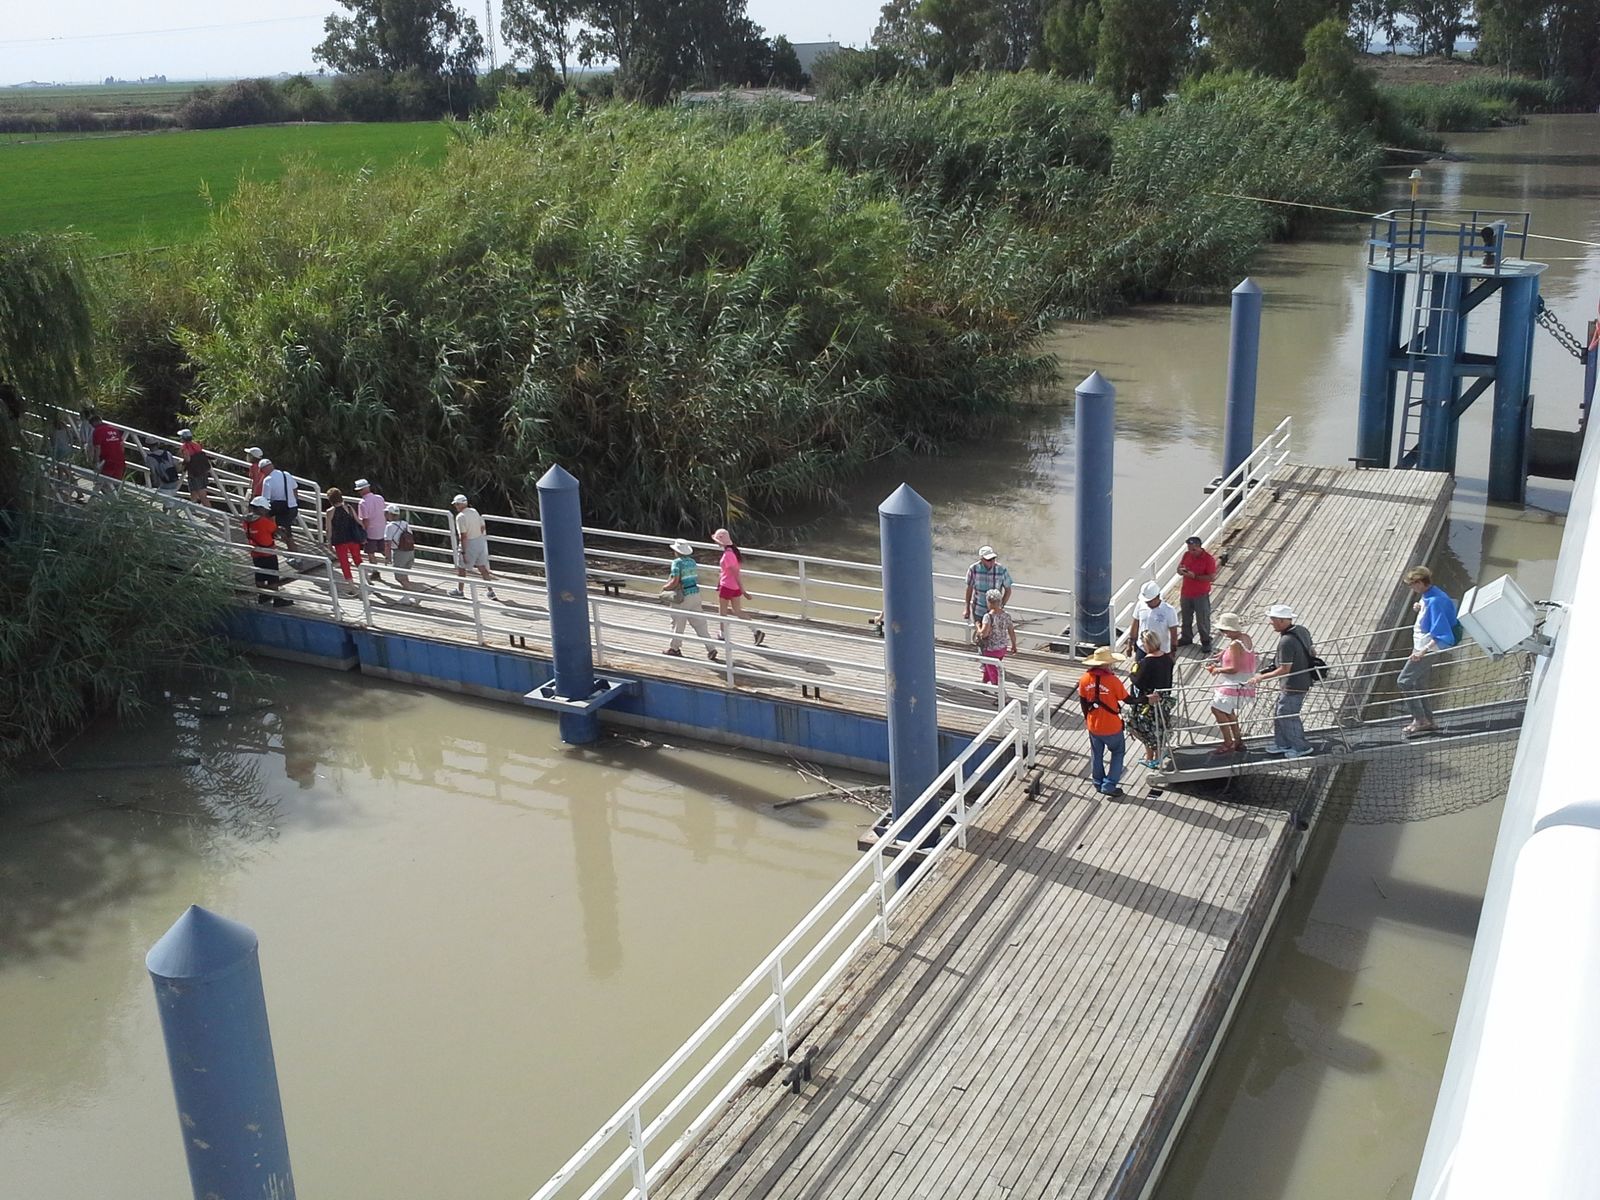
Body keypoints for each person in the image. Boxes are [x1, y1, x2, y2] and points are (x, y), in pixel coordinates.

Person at [1249, 603, 1316, 758]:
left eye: (1272, 619)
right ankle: (1283, 743)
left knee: (1286, 714)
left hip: (1294, 684)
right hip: (1302, 680)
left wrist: (1260, 677)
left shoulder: (1285, 641)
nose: (1270, 622)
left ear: (1281, 621)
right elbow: (1312, 652)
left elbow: (1285, 669)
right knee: (1280, 713)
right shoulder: (1302, 630)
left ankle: (1301, 747)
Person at [1398, 565, 1459, 737]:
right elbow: (1430, 613)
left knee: (1404, 681)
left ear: (1419, 582)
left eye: (1412, 585)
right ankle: (1429, 721)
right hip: (1420, 646)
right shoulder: (1430, 595)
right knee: (1419, 683)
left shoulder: (1435, 601)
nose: (1411, 589)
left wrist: (1423, 651)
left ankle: (1420, 720)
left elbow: (1441, 632)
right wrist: (1420, 607)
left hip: (1426, 649)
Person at [1077, 646, 1130, 797]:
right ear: (1108, 664)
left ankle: (1098, 782)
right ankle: (1109, 784)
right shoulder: (1113, 681)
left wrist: (1088, 720)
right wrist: (1146, 699)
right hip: (1112, 726)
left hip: (1094, 725)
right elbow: (1128, 699)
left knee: (1096, 754)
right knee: (1118, 752)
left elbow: (1083, 703)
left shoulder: (1084, 679)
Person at [1203, 611, 1257, 756]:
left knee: (1217, 709)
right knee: (1228, 711)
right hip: (1244, 682)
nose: (1223, 633)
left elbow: (1234, 668)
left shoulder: (1234, 644)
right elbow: (1241, 655)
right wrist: (1224, 654)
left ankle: (1228, 742)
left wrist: (1217, 669)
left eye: (1224, 630)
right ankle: (1238, 740)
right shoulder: (1245, 637)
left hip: (1233, 683)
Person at [661, 538, 719, 661]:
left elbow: (675, 581)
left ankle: (675, 649)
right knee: (700, 624)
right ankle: (711, 648)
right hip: (695, 594)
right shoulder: (692, 562)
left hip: (683, 596)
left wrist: (665, 588)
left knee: (678, 623)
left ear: (676, 551)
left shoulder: (677, 562)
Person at [1125, 630, 1175, 768]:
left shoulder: (1147, 662)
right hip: (1163, 698)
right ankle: (1157, 755)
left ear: (1147, 643)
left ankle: (1150, 758)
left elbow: (1138, 682)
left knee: (1143, 728)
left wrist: (1132, 674)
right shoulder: (1167, 658)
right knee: (1160, 728)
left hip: (1149, 700)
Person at [711, 527, 764, 645]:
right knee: (738, 611)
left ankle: (722, 634)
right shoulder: (734, 552)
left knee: (722, 611)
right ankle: (755, 630)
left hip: (727, 586)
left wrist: (743, 590)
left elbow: (734, 573)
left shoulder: (728, 554)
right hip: (733, 586)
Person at [244, 497, 292, 606]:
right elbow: (278, 533)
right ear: (260, 509)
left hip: (255, 553)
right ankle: (276, 599)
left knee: (260, 578)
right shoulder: (264, 521)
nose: (266, 512)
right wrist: (284, 533)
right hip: (269, 553)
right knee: (273, 578)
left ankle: (263, 596)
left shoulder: (246, 521)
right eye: (265, 510)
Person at [451, 494, 498, 600]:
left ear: (459, 505)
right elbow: (482, 527)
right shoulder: (474, 511)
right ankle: (491, 591)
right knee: (482, 568)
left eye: (456, 504)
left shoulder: (460, 517)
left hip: (469, 543)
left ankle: (460, 591)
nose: (456, 507)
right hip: (479, 541)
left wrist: (463, 551)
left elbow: (463, 536)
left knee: (462, 569)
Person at [1177, 535, 1218, 652]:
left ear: (1199, 547)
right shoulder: (1186, 555)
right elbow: (1179, 569)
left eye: (1193, 549)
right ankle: (1186, 638)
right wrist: (1181, 571)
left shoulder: (1208, 559)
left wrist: (1194, 576)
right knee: (1186, 617)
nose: (1191, 552)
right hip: (1186, 592)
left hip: (1200, 594)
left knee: (1202, 619)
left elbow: (1211, 577)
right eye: (1189, 549)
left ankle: (1205, 641)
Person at [1125, 581, 1179, 662]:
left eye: (1150, 601)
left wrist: (1173, 650)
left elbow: (1174, 632)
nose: (1147, 603)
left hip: (1162, 651)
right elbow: (1135, 624)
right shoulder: (1140, 605)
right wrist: (1130, 643)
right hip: (1143, 649)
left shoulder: (1169, 611)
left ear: (1157, 596)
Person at [975, 587, 1017, 687]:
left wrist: (978, 626)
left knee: (993, 672)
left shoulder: (988, 616)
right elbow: (1011, 631)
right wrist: (1014, 645)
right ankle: (984, 684)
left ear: (989, 601)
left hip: (991, 649)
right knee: (989, 667)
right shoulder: (1006, 615)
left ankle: (1001, 695)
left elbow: (983, 634)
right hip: (1002, 648)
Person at [324, 488, 365, 583]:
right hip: (352, 537)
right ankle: (366, 579)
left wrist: (329, 541)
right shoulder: (349, 507)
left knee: (344, 563)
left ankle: (352, 586)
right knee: (358, 559)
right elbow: (358, 521)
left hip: (340, 540)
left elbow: (328, 529)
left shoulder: (330, 512)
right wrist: (363, 532)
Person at [963, 546, 1013, 622]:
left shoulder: (1001, 569)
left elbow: (1008, 590)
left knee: (994, 633)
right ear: (981, 559)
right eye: (988, 560)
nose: (991, 561)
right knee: (981, 632)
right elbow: (969, 589)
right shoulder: (973, 569)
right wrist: (967, 608)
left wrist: (1001, 606)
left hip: (995, 611)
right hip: (979, 609)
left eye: (993, 558)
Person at [259, 458, 300, 550]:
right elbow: (295, 489)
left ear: (263, 470)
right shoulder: (286, 474)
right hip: (293, 508)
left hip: (282, 510)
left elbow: (265, 500)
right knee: (287, 530)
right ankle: (292, 551)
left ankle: (295, 554)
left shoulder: (268, 480)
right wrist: (294, 502)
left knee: (286, 534)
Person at [383, 504, 420, 599]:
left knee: (399, 577)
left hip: (399, 553)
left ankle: (414, 596)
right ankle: (407, 597)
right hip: (410, 552)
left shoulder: (389, 527)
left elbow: (387, 543)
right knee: (404, 575)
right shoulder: (405, 523)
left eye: (386, 513)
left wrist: (387, 557)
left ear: (390, 514)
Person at [354, 479, 387, 581]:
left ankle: (375, 571)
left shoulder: (363, 503)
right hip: (382, 529)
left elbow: (365, 520)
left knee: (371, 553)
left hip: (371, 532)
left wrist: (363, 532)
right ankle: (397, 563)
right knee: (383, 549)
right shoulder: (380, 498)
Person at [86, 411, 126, 484]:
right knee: (116, 484)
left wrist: (95, 461)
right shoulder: (114, 429)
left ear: (94, 423)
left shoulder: (97, 431)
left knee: (101, 483)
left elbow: (97, 448)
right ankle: (115, 495)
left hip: (107, 461)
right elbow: (122, 446)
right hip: (119, 460)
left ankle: (97, 495)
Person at [177, 429, 211, 506]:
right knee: (193, 492)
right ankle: (193, 509)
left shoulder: (185, 447)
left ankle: (211, 515)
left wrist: (182, 464)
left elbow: (188, 459)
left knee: (202, 496)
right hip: (203, 471)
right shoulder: (196, 445)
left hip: (194, 473)